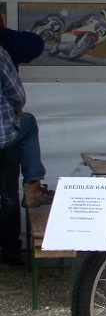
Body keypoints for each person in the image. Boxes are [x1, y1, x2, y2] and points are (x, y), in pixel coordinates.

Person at [0, 24, 51, 266]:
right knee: (7, 195)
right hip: (4, 138)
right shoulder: (1, 51)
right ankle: (33, 186)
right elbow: (17, 96)